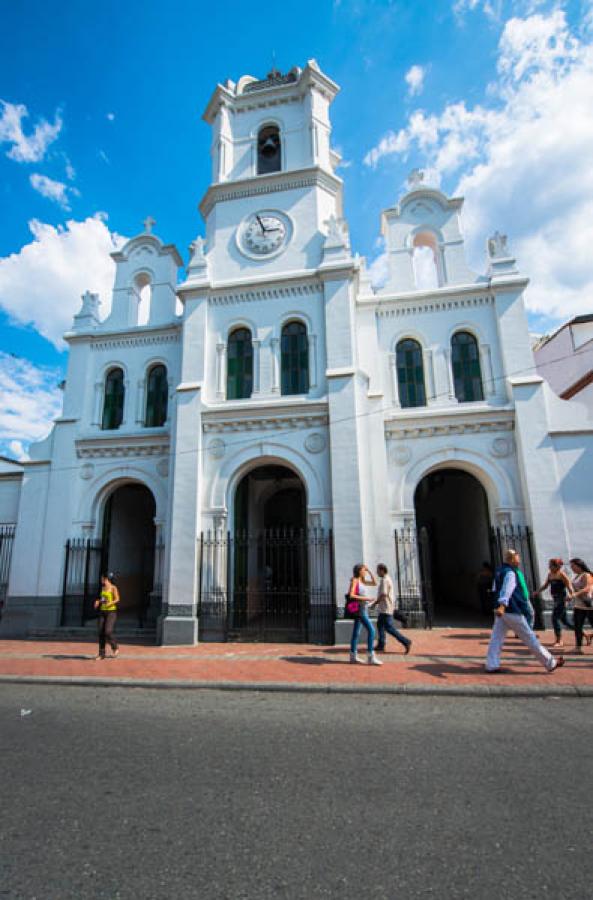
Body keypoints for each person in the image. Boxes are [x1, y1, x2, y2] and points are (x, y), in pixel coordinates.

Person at [485, 549, 565, 674]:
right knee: (530, 637)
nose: (519, 559)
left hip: (503, 612)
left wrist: (497, 605)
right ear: (511, 559)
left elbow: (495, 589)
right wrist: (502, 605)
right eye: (517, 557)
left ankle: (491, 664)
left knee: (497, 638)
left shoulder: (499, 571)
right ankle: (550, 663)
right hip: (512, 609)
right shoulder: (510, 573)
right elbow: (507, 589)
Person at [534, 558, 574, 648]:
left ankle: (559, 640)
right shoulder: (550, 575)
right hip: (555, 599)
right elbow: (546, 585)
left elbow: (569, 585)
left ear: (557, 566)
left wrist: (571, 595)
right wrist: (537, 591)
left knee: (554, 618)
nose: (549, 567)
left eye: (551, 565)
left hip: (561, 599)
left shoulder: (562, 575)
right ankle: (583, 633)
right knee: (565, 621)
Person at [373, 563, 412, 655]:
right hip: (385, 608)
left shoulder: (385, 580)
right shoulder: (387, 579)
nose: (377, 572)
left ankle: (406, 641)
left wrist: (375, 603)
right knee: (380, 625)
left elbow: (383, 594)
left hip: (386, 608)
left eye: (378, 570)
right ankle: (381, 645)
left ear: (382, 570)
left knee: (389, 628)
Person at [348, 564, 382, 666]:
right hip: (360, 610)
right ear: (359, 571)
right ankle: (370, 656)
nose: (365, 572)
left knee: (356, 633)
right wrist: (367, 598)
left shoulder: (361, 581)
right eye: (363, 570)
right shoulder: (355, 580)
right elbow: (351, 594)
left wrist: (369, 571)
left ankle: (353, 656)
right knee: (371, 630)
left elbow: (375, 583)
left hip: (363, 609)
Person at [569, 558, 593, 654]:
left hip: (588, 605)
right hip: (579, 605)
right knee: (577, 626)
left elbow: (587, 588)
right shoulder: (576, 576)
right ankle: (578, 647)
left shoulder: (586, 575)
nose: (572, 568)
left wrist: (575, 594)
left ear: (579, 566)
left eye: (573, 566)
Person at [94, 573, 120, 660]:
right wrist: (98, 602)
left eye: (102, 578)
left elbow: (117, 599)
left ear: (106, 579)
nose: (101, 580)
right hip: (102, 611)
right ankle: (101, 654)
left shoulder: (113, 588)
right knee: (100, 631)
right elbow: (102, 599)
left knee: (108, 631)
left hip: (111, 612)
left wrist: (110, 603)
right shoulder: (102, 588)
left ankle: (115, 647)